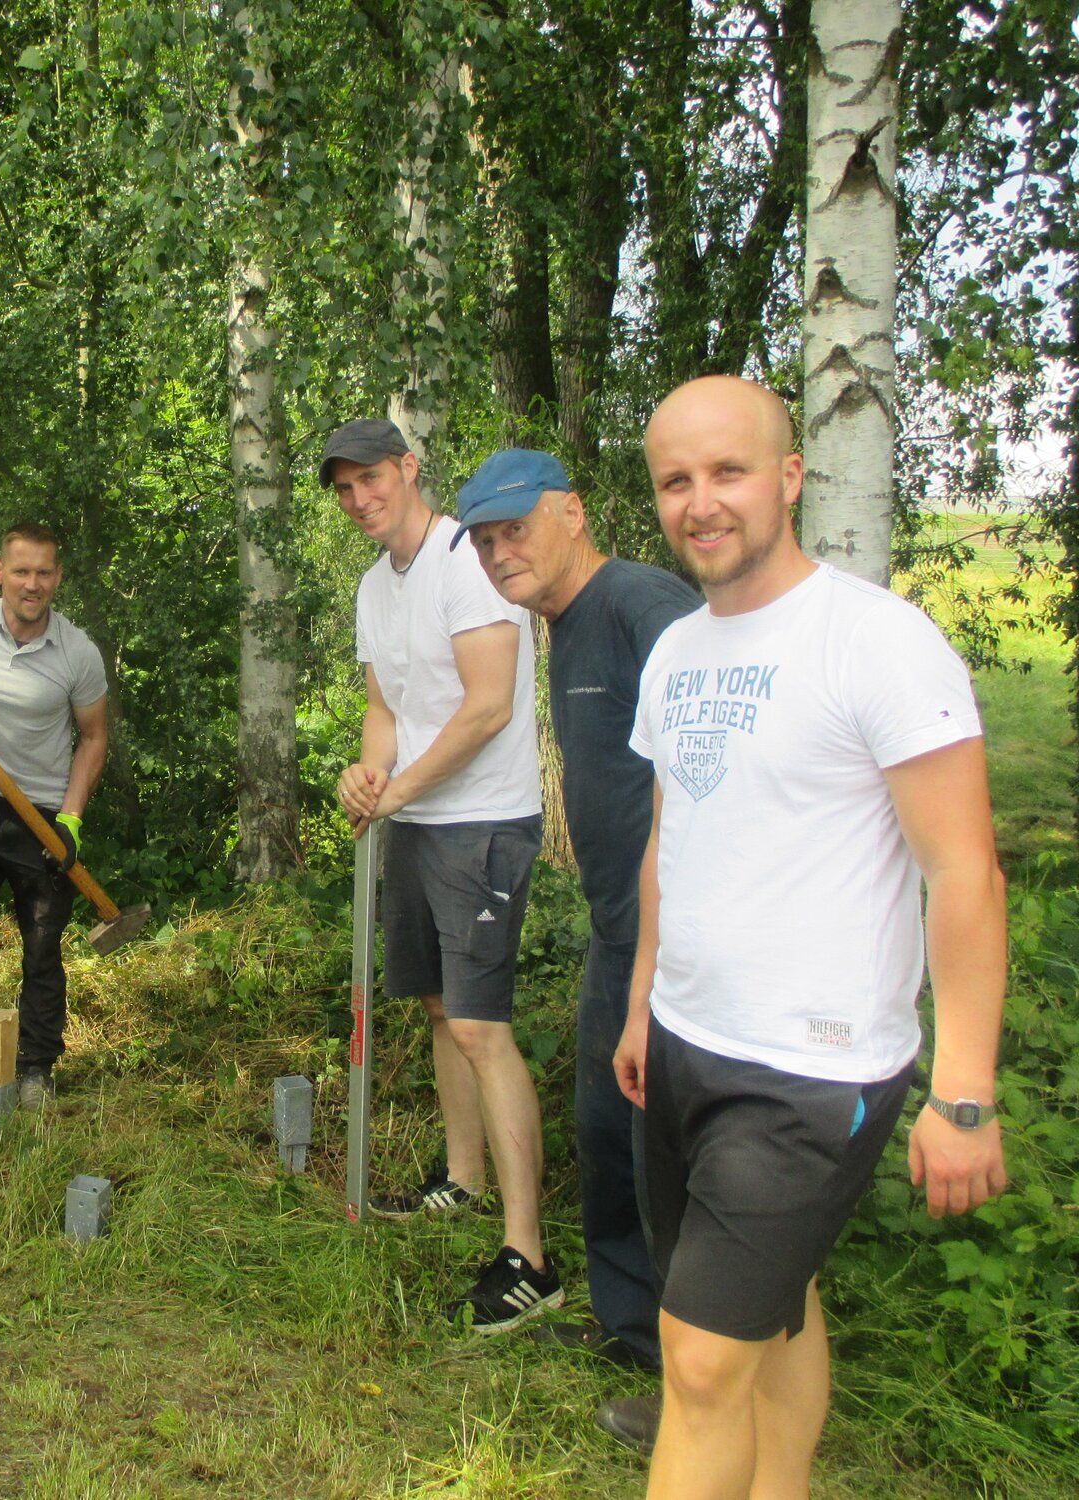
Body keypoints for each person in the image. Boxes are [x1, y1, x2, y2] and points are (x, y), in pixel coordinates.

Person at [613, 375, 1009, 1497]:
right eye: (675, 481)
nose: (701, 502)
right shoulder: (676, 652)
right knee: (767, 1318)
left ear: (787, 476)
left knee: (692, 1362)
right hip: (686, 1042)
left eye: (726, 471)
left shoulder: (876, 642)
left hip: (811, 1068)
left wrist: (962, 1091)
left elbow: (962, 874)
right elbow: (668, 840)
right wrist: (641, 1000)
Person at [459, 448, 698, 1392]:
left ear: (574, 515)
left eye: (514, 530)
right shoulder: (564, 622)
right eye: (483, 542)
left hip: (678, 932)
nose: (499, 554)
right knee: (605, 1127)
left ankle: (698, 1364)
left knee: (666, 1146)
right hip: (616, 925)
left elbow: (712, 775)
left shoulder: (647, 607)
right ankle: (632, 1336)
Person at [324, 418, 559, 1332]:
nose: (360, 500)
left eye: (372, 479)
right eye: (344, 490)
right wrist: (369, 774)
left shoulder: (472, 559)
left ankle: (529, 1253)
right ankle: (461, 1180)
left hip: (482, 825)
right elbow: (387, 707)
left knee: (479, 1025)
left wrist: (403, 790)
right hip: (414, 820)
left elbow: (488, 707)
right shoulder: (372, 588)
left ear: (408, 469)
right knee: (434, 1007)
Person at [0, 522, 109, 1106]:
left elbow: (94, 737)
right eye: (21, 571)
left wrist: (70, 819)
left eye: (44, 572)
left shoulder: (78, 651)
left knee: (43, 946)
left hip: (41, 815)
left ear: (58, 577)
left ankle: (36, 1069)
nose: (32, 584)